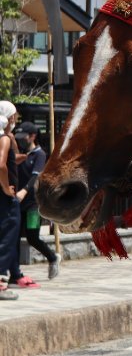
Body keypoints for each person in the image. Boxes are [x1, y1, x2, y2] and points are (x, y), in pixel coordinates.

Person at [15, 122, 59, 280]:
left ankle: (53, 258)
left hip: (32, 204)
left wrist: (23, 191)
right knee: (14, 237)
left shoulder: (40, 154)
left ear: (32, 136)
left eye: (23, 137)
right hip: (16, 203)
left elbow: (35, 176)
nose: (20, 140)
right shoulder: (18, 153)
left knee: (32, 237)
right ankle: (15, 272)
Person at [0, 101, 20, 299]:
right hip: (5, 197)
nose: (15, 119)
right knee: (7, 236)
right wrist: (6, 189)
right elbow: (1, 165)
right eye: (13, 115)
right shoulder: (3, 138)